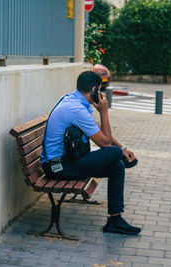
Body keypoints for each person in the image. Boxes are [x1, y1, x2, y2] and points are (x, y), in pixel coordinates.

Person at [40, 71, 141, 235]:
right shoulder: (76, 109)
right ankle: (115, 220)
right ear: (94, 89)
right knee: (114, 155)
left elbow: (96, 129)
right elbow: (105, 144)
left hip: (66, 162)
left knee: (117, 165)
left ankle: (115, 220)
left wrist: (122, 148)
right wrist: (104, 112)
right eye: (99, 90)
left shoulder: (72, 100)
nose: (100, 94)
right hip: (58, 167)